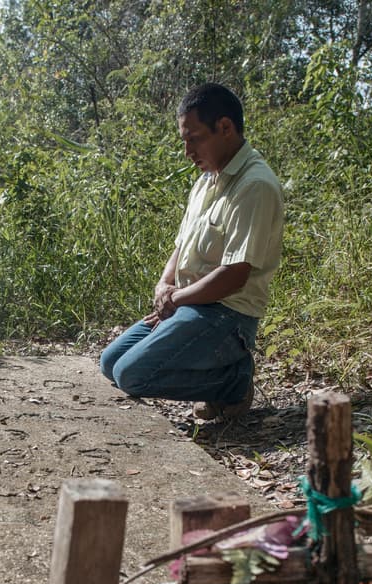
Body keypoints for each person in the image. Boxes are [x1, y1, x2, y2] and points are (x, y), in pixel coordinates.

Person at [99, 82, 284, 421]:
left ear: (225, 128)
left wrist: (177, 299)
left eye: (194, 138)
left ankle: (234, 382)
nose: (187, 151)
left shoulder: (254, 185)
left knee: (131, 375)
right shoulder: (206, 181)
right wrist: (164, 285)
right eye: (184, 140)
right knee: (110, 363)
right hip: (189, 305)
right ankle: (216, 380)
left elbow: (234, 275)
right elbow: (181, 246)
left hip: (226, 317)